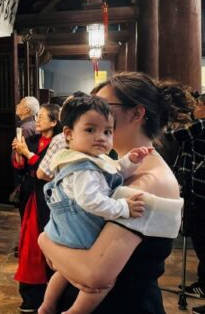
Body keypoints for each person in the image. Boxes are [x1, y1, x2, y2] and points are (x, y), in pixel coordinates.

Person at [38, 72, 189, 314]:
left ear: (136, 114)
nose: (93, 112)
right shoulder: (109, 163)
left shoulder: (150, 180)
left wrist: (44, 241)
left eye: (103, 106)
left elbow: (94, 274)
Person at [39, 95, 152, 314]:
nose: (100, 137)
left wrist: (130, 162)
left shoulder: (87, 159)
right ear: (69, 134)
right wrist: (123, 208)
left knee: (62, 273)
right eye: (90, 130)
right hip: (81, 232)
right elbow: (90, 201)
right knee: (103, 283)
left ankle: (47, 305)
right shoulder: (83, 169)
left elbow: (113, 172)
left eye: (107, 132)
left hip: (62, 231)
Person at [12, 103, 62, 312]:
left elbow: (46, 170)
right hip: (31, 194)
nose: (37, 120)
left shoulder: (60, 143)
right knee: (30, 244)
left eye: (41, 117)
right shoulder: (32, 140)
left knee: (49, 243)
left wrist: (27, 153)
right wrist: (18, 153)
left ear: (54, 121)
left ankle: (52, 295)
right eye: (37, 116)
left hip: (49, 198)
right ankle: (31, 296)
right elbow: (20, 167)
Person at [164, 92, 205, 312]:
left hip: (200, 194)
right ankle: (202, 284)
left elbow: (172, 135)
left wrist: (175, 116)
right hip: (197, 192)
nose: (195, 109)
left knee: (202, 242)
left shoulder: (201, 125)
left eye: (198, 105)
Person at [37, 91, 88, 182]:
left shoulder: (61, 139)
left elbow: (42, 173)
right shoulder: (91, 136)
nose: (60, 109)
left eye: (64, 106)